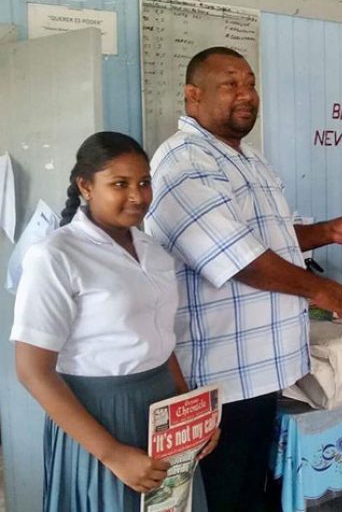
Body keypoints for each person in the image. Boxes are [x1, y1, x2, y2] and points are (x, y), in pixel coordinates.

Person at [145, 46, 342, 511]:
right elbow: (239, 257)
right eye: (230, 84)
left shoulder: (249, 159)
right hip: (218, 377)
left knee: (251, 495)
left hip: (263, 370)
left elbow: (269, 239)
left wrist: (325, 233)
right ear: (192, 95)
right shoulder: (183, 162)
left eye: (250, 83)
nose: (245, 94)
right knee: (221, 497)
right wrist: (321, 288)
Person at [11, 132, 216, 511]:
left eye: (144, 182)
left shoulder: (153, 252)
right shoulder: (56, 256)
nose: (137, 196)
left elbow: (160, 339)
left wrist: (191, 414)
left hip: (160, 408)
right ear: (85, 186)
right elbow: (32, 371)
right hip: (97, 417)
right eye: (119, 184)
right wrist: (111, 453)